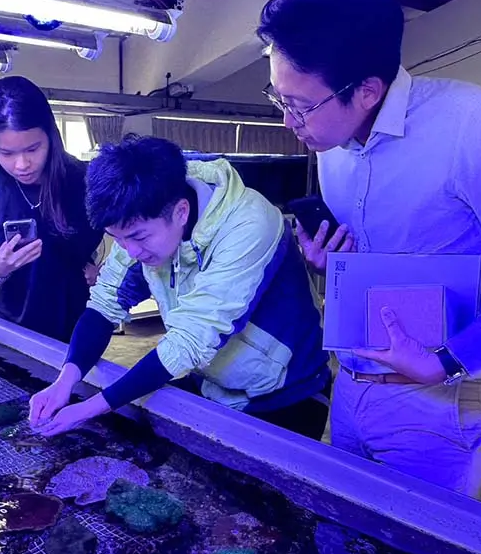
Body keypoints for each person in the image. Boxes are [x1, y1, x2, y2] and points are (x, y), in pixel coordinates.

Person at [257, 0, 481, 496]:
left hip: (437, 404)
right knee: (340, 535)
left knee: (414, 547)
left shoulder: (471, 127)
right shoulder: (333, 145)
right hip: (350, 384)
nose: (289, 122)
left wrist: (450, 359)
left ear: (367, 91)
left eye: (300, 106)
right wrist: (336, 265)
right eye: (279, 98)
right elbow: (395, 256)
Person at [28, 135, 331, 439]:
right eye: (117, 238)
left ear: (181, 212)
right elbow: (104, 306)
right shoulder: (138, 214)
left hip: (287, 392)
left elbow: (191, 339)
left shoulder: (250, 224)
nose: (130, 250)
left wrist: (90, 408)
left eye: (139, 237)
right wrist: (63, 383)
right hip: (213, 384)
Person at [0, 76, 102, 343]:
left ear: (50, 136)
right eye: (6, 153)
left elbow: (128, 237)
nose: (22, 164)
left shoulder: (85, 179)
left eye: (33, 149)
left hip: (78, 326)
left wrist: (105, 271)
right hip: (10, 327)